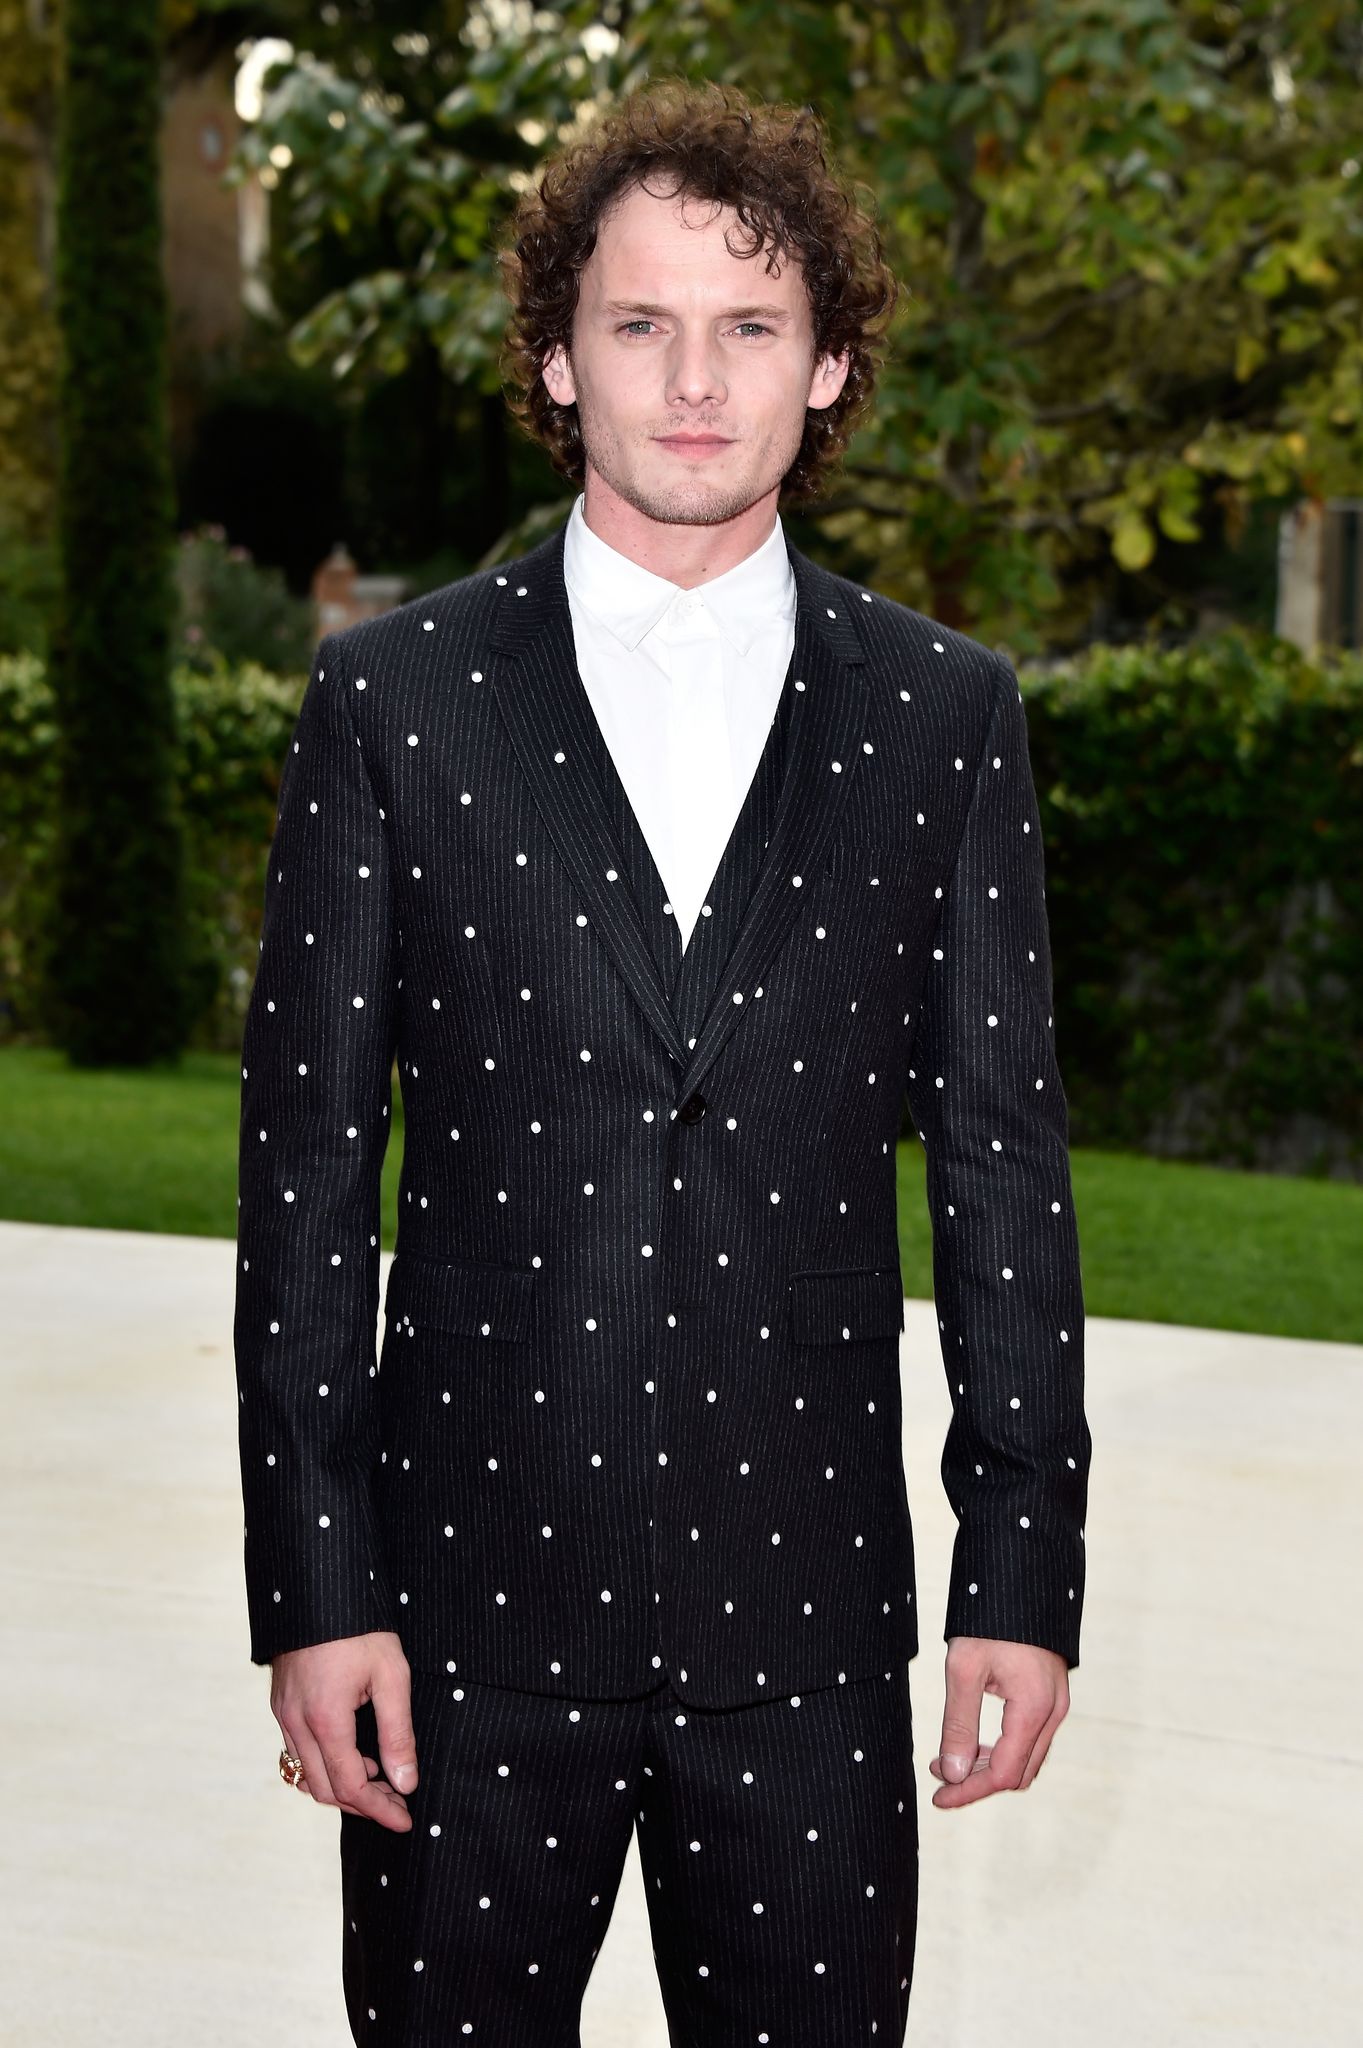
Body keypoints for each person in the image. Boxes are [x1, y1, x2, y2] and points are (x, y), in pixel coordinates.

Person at [234, 74, 1092, 2047]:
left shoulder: (945, 720)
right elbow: (299, 1183)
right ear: (559, 353)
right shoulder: (393, 701)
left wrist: (1019, 1569)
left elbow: (998, 1167)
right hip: (453, 1628)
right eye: (640, 322)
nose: (693, 379)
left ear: (831, 364)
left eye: (750, 324)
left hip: (806, 1640)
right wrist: (315, 1587)